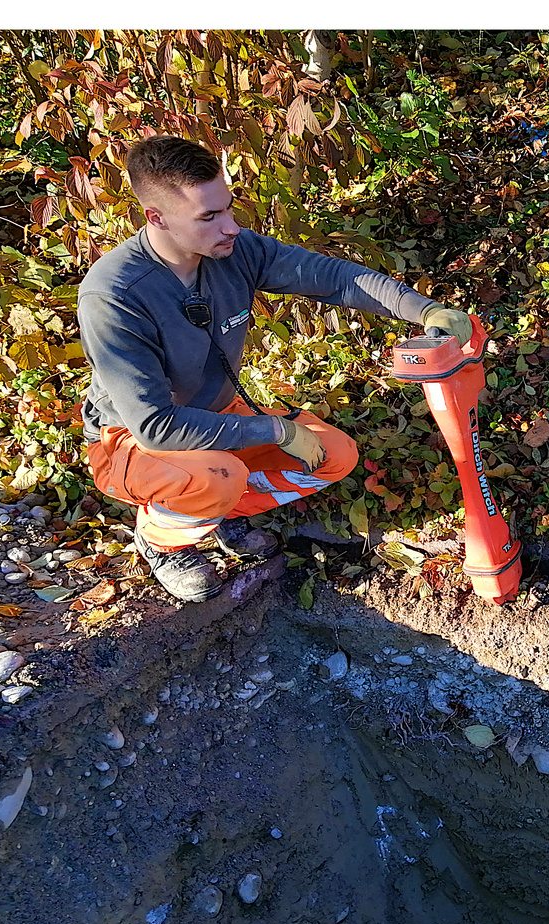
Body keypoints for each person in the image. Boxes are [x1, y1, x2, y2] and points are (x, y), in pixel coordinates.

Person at [76, 134, 472, 603]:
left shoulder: (233, 250)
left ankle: (220, 512)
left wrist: (421, 310)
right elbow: (154, 426)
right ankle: (163, 541)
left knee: (335, 456)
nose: (231, 227)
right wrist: (276, 432)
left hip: (220, 419)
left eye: (227, 208)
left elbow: (333, 277)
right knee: (211, 476)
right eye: (209, 217)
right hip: (130, 441)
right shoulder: (114, 295)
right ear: (156, 218)